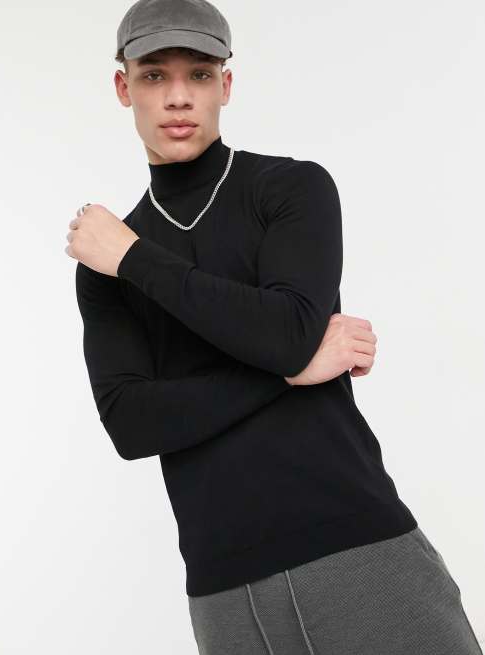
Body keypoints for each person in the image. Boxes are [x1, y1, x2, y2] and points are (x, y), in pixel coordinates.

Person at [65, 1, 483, 653]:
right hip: (224, 590)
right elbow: (132, 423)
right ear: (124, 87)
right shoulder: (103, 268)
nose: (178, 96)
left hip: (359, 550)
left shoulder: (289, 190)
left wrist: (135, 258)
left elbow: (285, 334)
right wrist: (290, 373)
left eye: (199, 74)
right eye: (153, 75)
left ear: (225, 84)